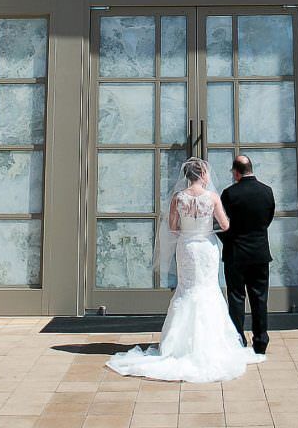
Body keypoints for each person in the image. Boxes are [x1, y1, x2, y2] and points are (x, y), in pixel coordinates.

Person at [106, 156, 265, 383]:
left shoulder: (178, 198)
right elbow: (226, 225)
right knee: (208, 289)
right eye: (207, 172)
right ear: (202, 174)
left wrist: (188, 226)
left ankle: (177, 345)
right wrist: (208, 225)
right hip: (206, 247)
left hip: (186, 247)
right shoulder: (211, 197)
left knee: (187, 289)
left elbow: (172, 226)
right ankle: (212, 343)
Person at [218, 154, 275, 355]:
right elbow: (267, 220)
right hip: (260, 253)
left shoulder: (229, 194)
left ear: (236, 172)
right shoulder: (267, 192)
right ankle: (261, 340)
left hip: (236, 253)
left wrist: (230, 241)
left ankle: (238, 339)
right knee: (260, 298)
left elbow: (221, 224)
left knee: (236, 296)